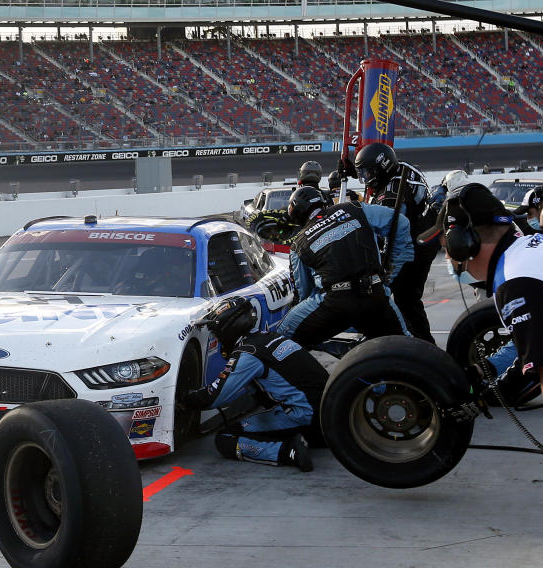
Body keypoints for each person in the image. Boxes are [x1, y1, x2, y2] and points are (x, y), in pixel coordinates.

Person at [417, 182, 543, 524]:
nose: (449, 258)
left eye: (448, 248)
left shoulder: (517, 279)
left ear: (467, 242)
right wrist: (496, 391)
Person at [179, 296, 328, 469]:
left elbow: (215, 397)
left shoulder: (248, 353)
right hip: (328, 411)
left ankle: (287, 451)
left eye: (217, 334)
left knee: (226, 438)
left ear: (228, 330)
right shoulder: (269, 337)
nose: (217, 340)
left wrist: (184, 398)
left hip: (307, 416)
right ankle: (294, 435)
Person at [276, 186, 413, 348]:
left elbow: (305, 293)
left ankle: (339, 356)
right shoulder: (355, 208)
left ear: (296, 214)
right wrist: (391, 271)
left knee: (280, 340)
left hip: (335, 303)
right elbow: (401, 222)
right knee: (408, 347)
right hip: (375, 293)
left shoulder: (298, 244)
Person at [345, 142, 436, 343]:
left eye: (368, 173)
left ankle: (424, 346)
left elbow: (388, 233)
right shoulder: (402, 168)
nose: (365, 179)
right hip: (425, 232)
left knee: (405, 297)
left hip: (417, 244)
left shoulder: (394, 195)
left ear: (382, 167)